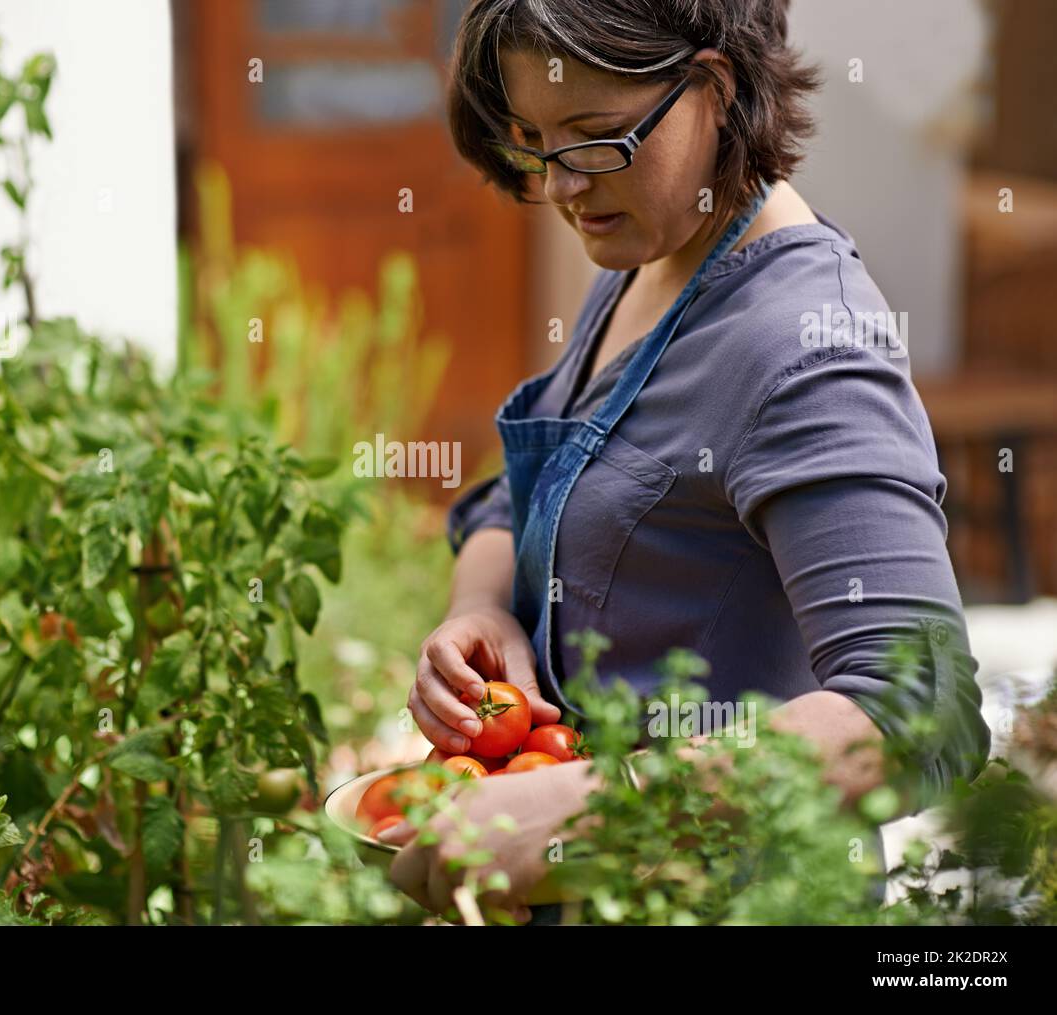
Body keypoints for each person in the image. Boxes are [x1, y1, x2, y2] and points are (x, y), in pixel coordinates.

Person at [378, 0, 991, 922]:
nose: (561, 186)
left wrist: (600, 807)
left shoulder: (805, 347)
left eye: (595, 137)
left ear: (715, 88)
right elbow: (528, 491)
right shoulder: (648, 259)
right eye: (533, 141)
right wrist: (480, 611)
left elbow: (921, 712)